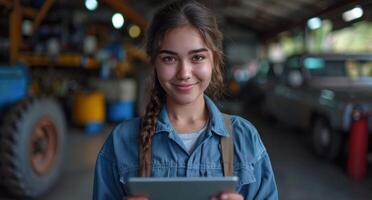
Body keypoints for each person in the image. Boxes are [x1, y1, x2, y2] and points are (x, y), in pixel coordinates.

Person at [93, 0, 278, 199]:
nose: (184, 73)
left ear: (214, 61)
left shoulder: (245, 139)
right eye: (169, 58)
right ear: (154, 62)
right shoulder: (122, 141)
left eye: (197, 57)